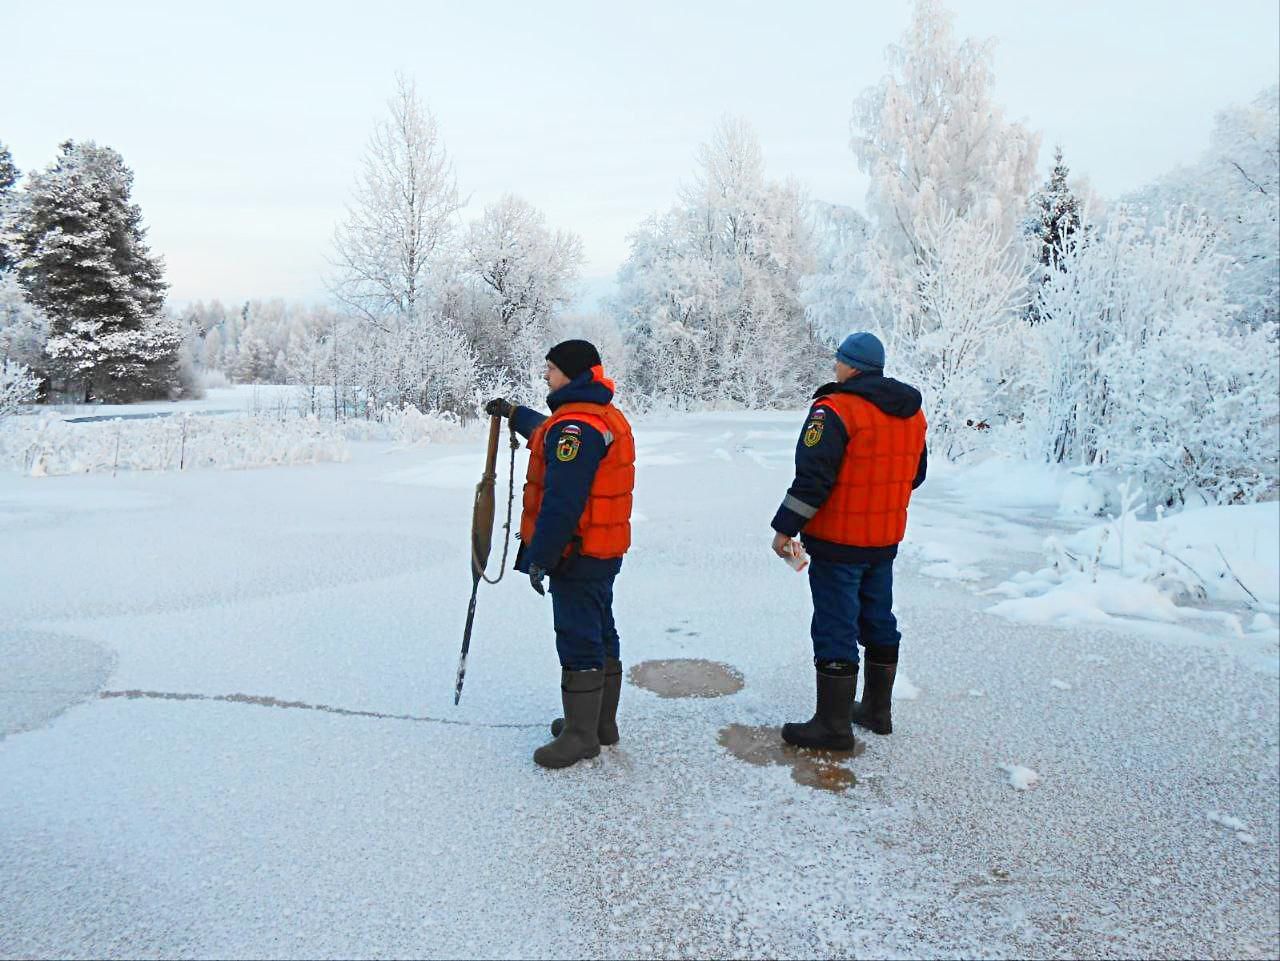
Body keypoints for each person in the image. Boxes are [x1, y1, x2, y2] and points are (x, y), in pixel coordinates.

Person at [769, 331, 927, 749]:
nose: (835, 367)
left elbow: (813, 478)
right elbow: (915, 474)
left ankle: (833, 726)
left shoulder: (834, 411)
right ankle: (877, 710)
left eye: (839, 360)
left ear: (851, 365)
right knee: (878, 617)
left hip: (839, 540)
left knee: (835, 623)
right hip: (884, 538)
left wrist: (785, 528)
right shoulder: (912, 413)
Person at [484, 340, 635, 769]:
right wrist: (514, 414)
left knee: (578, 635)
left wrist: (542, 557)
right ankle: (600, 723)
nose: (546, 376)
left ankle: (581, 735)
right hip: (602, 549)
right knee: (601, 628)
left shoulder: (577, 429)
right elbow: (546, 433)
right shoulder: (595, 417)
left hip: (578, 552)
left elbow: (562, 502)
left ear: (571, 374)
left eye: (550, 369)